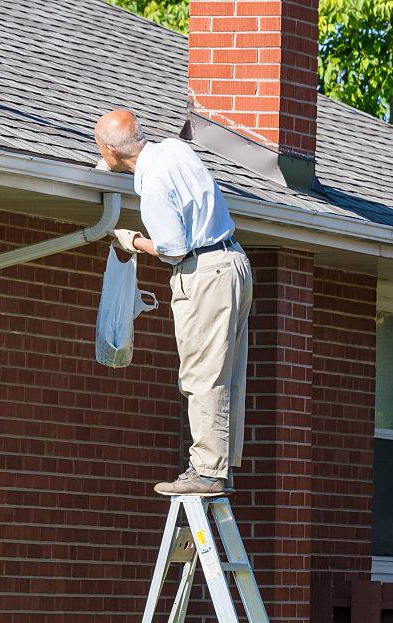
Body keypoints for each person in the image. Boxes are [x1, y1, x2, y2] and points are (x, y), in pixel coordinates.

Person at [94, 108, 253, 496]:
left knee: (201, 373)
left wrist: (131, 240)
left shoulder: (154, 184)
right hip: (233, 262)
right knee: (226, 373)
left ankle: (207, 471)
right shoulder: (174, 150)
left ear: (113, 152)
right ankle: (221, 465)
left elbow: (172, 249)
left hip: (204, 272)